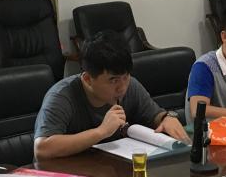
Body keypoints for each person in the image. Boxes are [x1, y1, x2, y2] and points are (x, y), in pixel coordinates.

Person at [33, 31, 189, 160]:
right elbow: (42, 149)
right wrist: (101, 132)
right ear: (88, 79)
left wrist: (166, 118)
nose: (122, 87)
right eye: (113, 80)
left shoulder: (131, 85)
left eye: (125, 77)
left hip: (109, 169)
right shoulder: (61, 96)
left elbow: (155, 115)